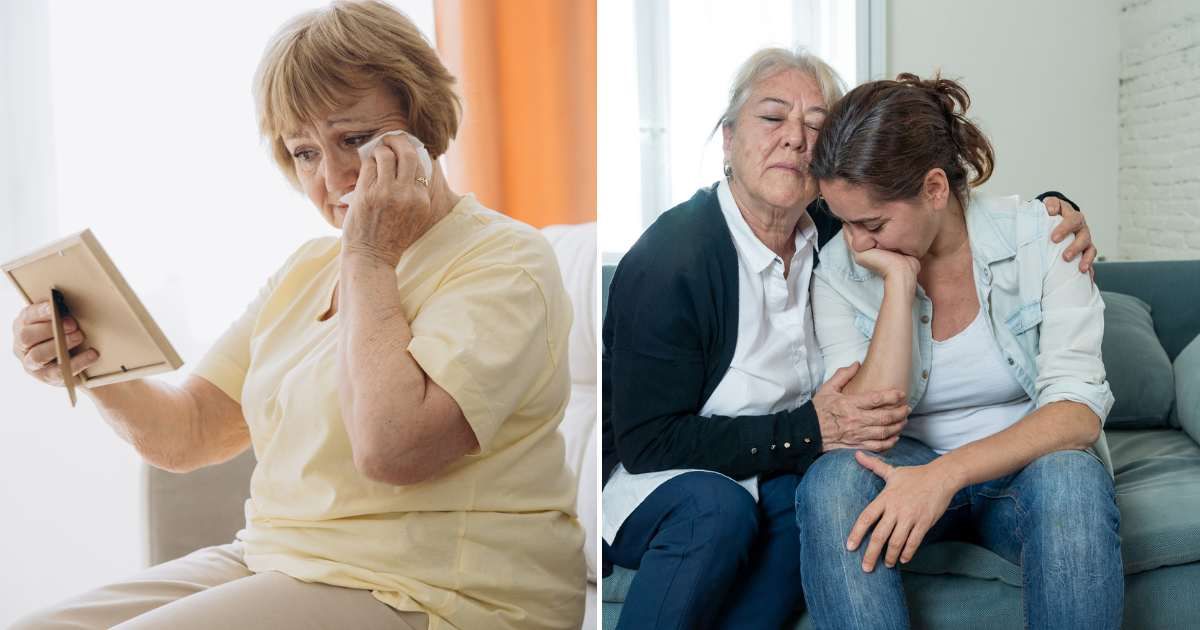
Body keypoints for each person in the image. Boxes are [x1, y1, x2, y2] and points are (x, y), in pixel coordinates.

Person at [8, 2, 583, 629]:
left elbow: (393, 450)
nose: (333, 177)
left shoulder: (504, 261)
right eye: (304, 152)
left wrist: (369, 255)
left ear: (424, 125)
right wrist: (91, 359)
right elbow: (189, 432)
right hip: (281, 558)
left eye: (354, 140)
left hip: (442, 591)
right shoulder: (307, 269)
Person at [600, 47, 1097, 629]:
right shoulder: (676, 259)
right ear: (728, 139)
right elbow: (650, 441)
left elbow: (922, 194)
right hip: (682, 471)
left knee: (793, 502)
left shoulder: (831, 227)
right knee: (754, 501)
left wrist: (1058, 209)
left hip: (784, 466)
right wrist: (813, 426)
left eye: (815, 126)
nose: (795, 138)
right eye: (772, 117)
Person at [796, 73, 1122, 630]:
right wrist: (899, 285)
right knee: (830, 484)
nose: (856, 243)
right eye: (844, 222)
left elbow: (1077, 413)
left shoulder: (1041, 238)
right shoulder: (840, 272)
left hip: (1025, 470)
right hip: (904, 464)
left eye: (872, 223)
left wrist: (945, 475)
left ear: (934, 189)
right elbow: (866, 424)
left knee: (1072, 480)